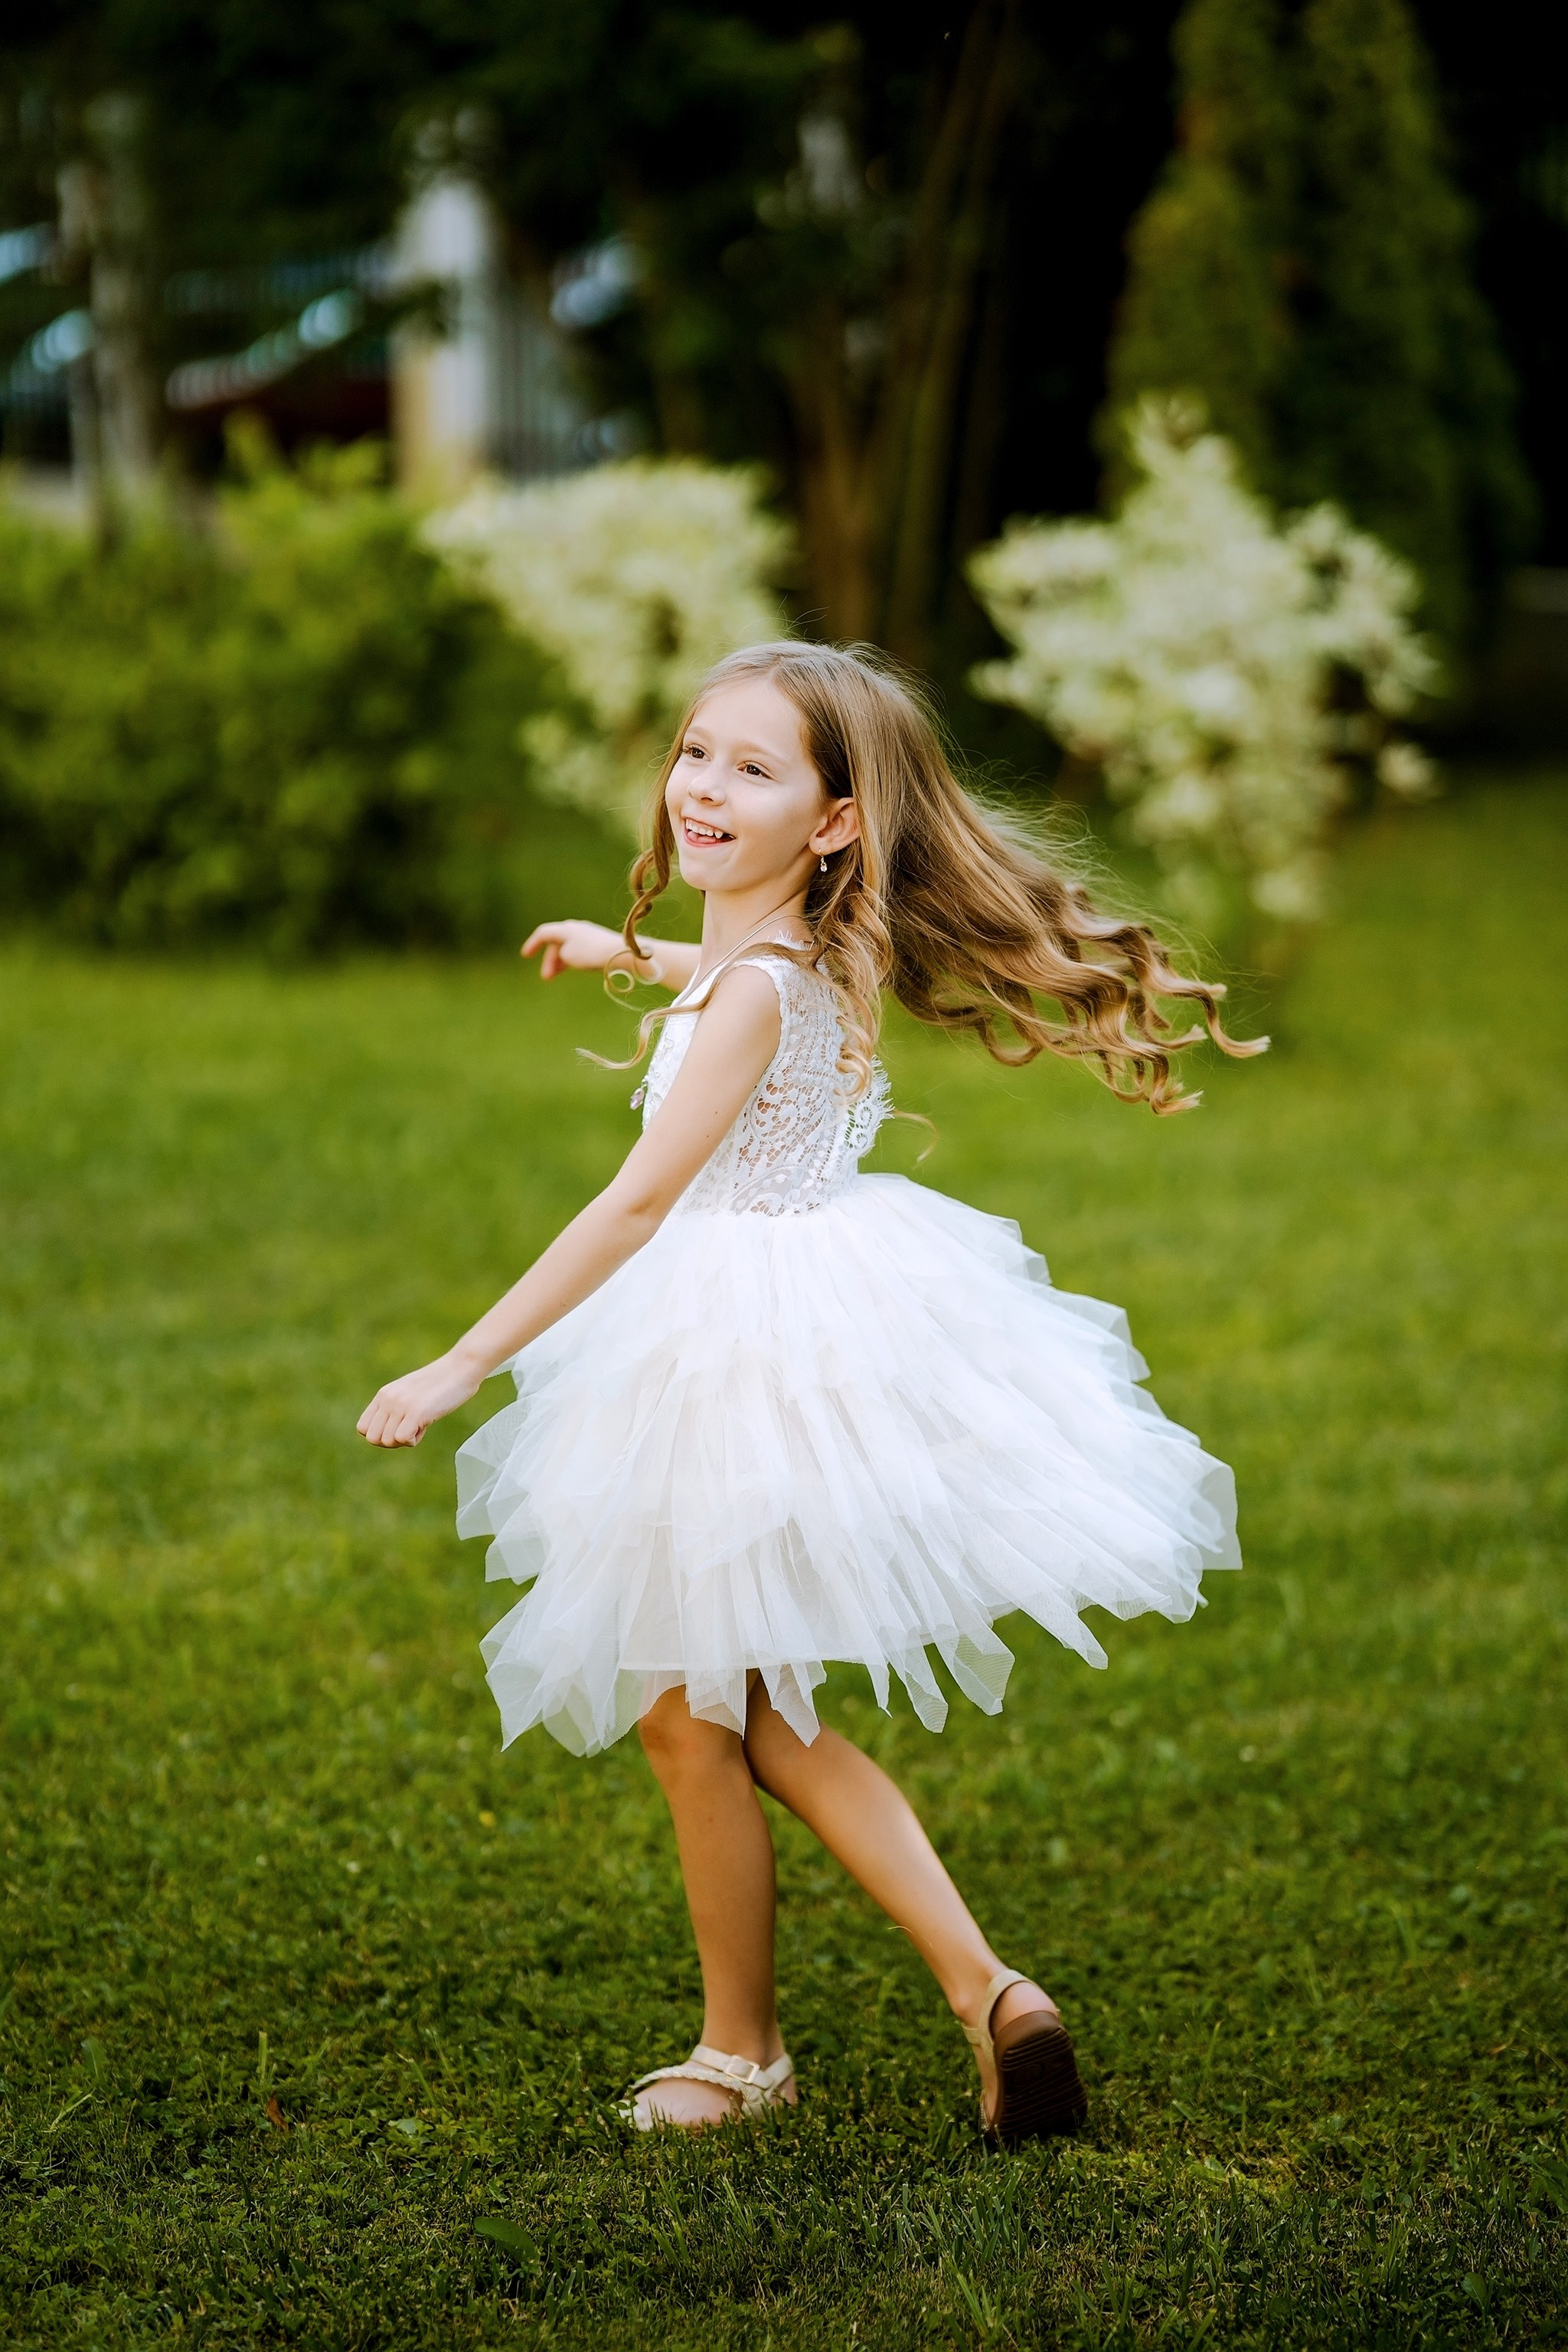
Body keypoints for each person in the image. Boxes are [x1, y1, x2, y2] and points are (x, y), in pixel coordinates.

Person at [357, 642, 1263, 2142]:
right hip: (812, 1331)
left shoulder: (755, 994)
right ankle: (987, 1994)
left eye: (754, 769)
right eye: (696, 752)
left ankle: (745, 2052)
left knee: (692, 1718)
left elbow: (638, 1203)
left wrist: (465, 1359)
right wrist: (623, 949)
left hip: (723, 1359)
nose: (704, 786)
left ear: (834, 821)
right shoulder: (817, 952)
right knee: (751, 1713)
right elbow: (730, 985)